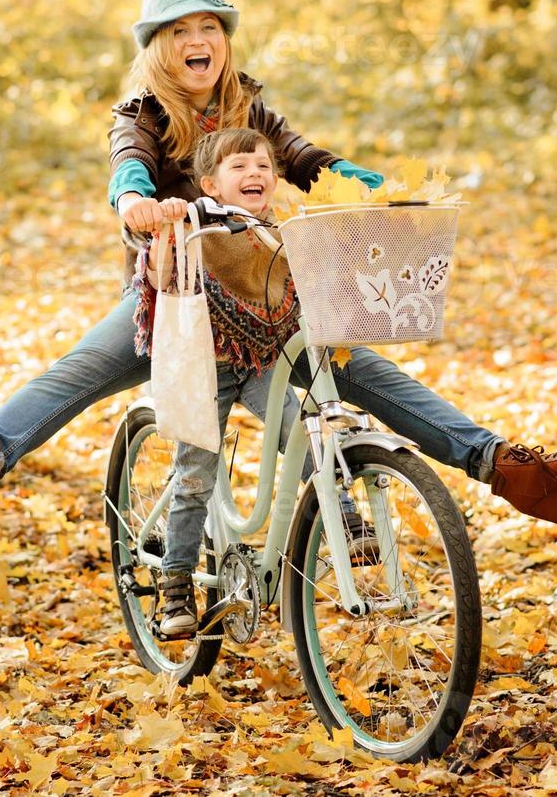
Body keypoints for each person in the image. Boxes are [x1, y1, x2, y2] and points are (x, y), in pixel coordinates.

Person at [0, 0, 557, 533]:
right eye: (179, 30)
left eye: (208, 27)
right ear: (157, 47)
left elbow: (306, 159)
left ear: (225, 40)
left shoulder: (251, 108)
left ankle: (511, 472)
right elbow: (129, 167)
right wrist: (134, 204)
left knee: (370, 375)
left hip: (266, 291)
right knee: (82, 369)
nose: (197, 39)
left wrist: (375, 188)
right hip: (176, 294)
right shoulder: (141, 114)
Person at [133, 128, 375, 639]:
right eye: (239, 167)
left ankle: (348, 522)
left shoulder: (281, 230)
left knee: (303, 430)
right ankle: (176, 584)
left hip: (263, 361)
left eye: (264, 166)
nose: (254, 175)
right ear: (210, 185)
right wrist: (166, 229)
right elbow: (157, 275)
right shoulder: (198, 223)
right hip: (206, 369)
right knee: (195, 474)